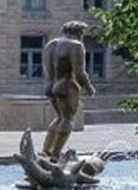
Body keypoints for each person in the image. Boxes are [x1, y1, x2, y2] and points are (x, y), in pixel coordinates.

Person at [41, 21, 97, 159]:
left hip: (50, 85)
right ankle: (55, 156)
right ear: (79, 32)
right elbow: (79, 72)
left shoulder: (50, 44)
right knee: (67, 119)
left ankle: (46, 150)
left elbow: (47, 69)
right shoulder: (76, 46)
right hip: (66, 85)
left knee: (60, 118)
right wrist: (89, 87)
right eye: (82, 33)